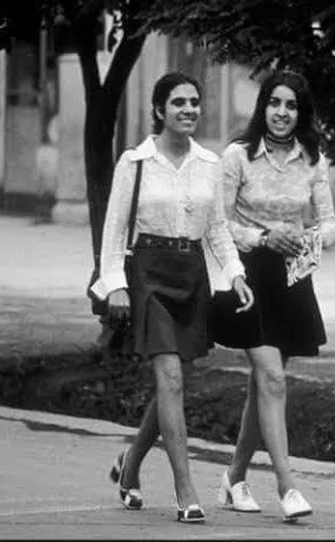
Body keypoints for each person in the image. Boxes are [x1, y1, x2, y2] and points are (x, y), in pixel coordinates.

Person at [91, 72, 254, 524]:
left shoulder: (209, 162)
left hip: (192, 276)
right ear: (160, 110)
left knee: (172, 383)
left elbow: (217, 227)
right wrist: (114, 283)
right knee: (171, 379)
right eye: (178, 102)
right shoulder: (135, 162)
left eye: (195, 102)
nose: (188, 110)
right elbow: (114, 228)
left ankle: (130, 466)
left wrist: (235, 273)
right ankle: (186, 490)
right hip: (148, 273)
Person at [210, 70, 335, 522]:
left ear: (301, 113)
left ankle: (234, 477)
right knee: (273, 380)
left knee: (262, 386)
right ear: (262, 106)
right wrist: (265, 236)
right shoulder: (237, 156)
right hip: (248, 276)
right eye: (274, 103)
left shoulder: (313, 159)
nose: (281, 113)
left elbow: (331, 224)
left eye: (291, 106)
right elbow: (218, 223)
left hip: (292, 276)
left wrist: (306, 238)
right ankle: (287, 486)